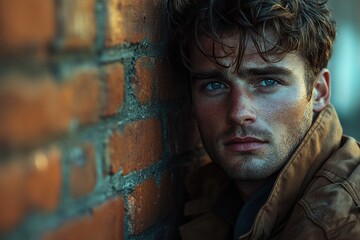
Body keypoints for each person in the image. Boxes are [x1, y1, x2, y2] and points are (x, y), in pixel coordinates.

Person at [168, 0, 360, 239]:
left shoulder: (345, 222)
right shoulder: (207, 196)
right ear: (192, 101)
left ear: (319, 92)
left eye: (268, 82)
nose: (239, 113)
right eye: (214, 85)